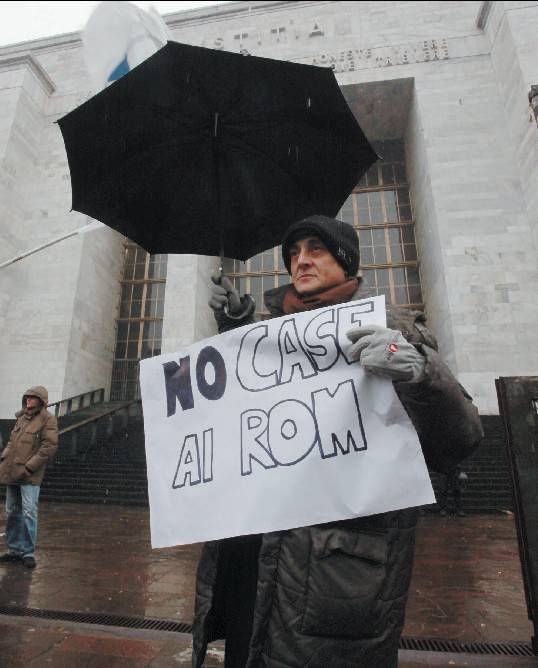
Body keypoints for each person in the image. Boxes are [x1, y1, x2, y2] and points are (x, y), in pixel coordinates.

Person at [194, 215, 484, 667]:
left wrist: (418, 372)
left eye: (315, 250)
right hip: (253, 564)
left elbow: (460, 439)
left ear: (346, 262)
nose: (300, 261)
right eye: (293, 254)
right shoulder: (271, 339)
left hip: (334, 579)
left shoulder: (395, 331)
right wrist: (237, 327)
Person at [0, 386, 58, 568]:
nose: (28, 400)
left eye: (32, 398)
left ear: (41, 401)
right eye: (27, 397)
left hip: (29, 475)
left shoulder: (48, 419)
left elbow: (48, 446)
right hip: (11, 472)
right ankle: (14, 549)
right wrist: (4, 457)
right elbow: (11, 442)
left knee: (29, 513)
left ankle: (28, 552)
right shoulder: (21, 418)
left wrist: (29, 467)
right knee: (11, 512)